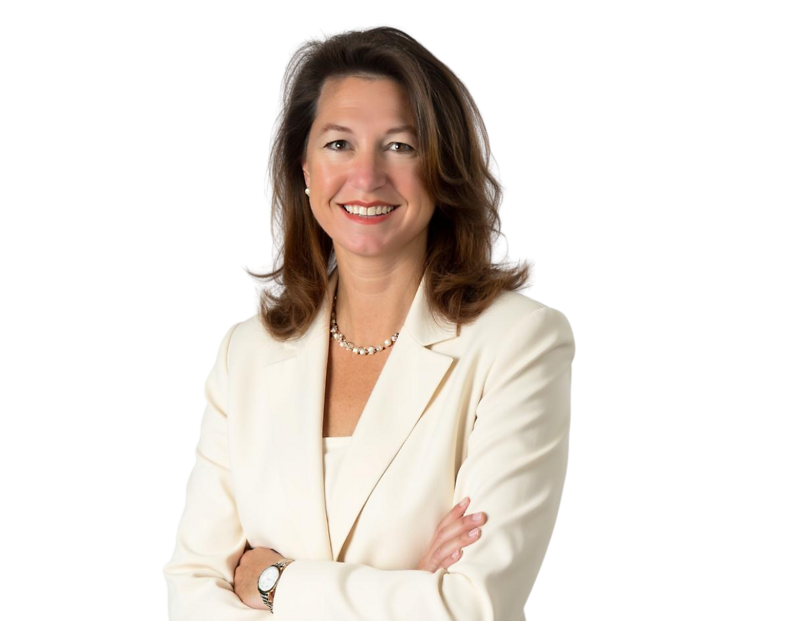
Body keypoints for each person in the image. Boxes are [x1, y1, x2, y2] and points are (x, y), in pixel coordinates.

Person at [162, 24, 577, 621]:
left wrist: (273, 581)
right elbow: (190, 591)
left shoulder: (521, 342)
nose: (366, 176)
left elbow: (473, 608)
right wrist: (408, 591)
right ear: (303, 168)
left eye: (401, 146)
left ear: (441, 167)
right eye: (338, 144)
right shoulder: (244, 353)